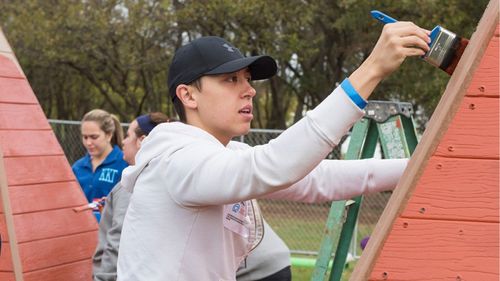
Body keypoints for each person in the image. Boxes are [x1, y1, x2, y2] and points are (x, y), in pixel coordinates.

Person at [117, 21, 430, 281]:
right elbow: (274, 165)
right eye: (230, 79)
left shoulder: (220, 156)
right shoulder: (175, 160)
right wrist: (372, 69)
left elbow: (319, 178)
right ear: (188, 95)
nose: (249, 89)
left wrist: (424, 165)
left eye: (248, 79)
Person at [93, 112, 171, 281]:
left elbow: (118, 242)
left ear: (141, 141)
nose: (123, 141)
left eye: (128, 135)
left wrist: (103, 278)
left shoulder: (131, 186)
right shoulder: (169, 179)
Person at [72, 109, 128, 203]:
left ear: (109, 135)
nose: (88, 142)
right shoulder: (77, 167)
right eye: (85, 137)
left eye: (94, 137)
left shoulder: (124, 163)